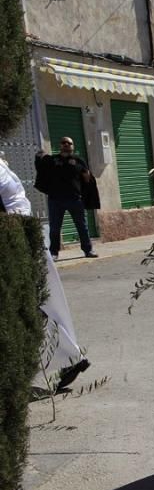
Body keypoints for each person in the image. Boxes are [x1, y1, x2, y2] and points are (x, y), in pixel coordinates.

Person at [1, 156, 91, 390]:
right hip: (21, 237)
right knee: (37, 305)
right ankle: (68, 357)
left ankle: (67, 357)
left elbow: (13, 204)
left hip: (16, 241)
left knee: (36, 307)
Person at [34, 137, 99, 260]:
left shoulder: (79, 161)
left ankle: (88, 250)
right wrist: (39, 156)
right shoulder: (53, 160)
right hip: (55, 200)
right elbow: (41, 167)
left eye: (69, 143)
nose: (66, 145)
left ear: (73, 146)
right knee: (54, 228)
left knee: (82, 226)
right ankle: (54, 253)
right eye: (63, 143)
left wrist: (85, 190)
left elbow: (87, 177)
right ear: (60, 145)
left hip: (75, 200)